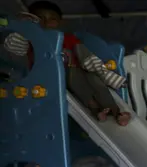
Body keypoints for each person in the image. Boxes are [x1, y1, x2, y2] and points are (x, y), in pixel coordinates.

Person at [2, 2, 130, 125]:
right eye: (40, 18)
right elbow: (13, 44)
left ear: (60, 22)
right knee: (75, 77)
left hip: (76, 74)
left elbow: (86, 57)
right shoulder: (32, 42)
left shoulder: (68, 39)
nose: (46, 23)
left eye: (52, 19)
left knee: (94, 79)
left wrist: (106, 75)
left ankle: (116, 111)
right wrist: (26, 28)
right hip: (48, 81)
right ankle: (96, 110)